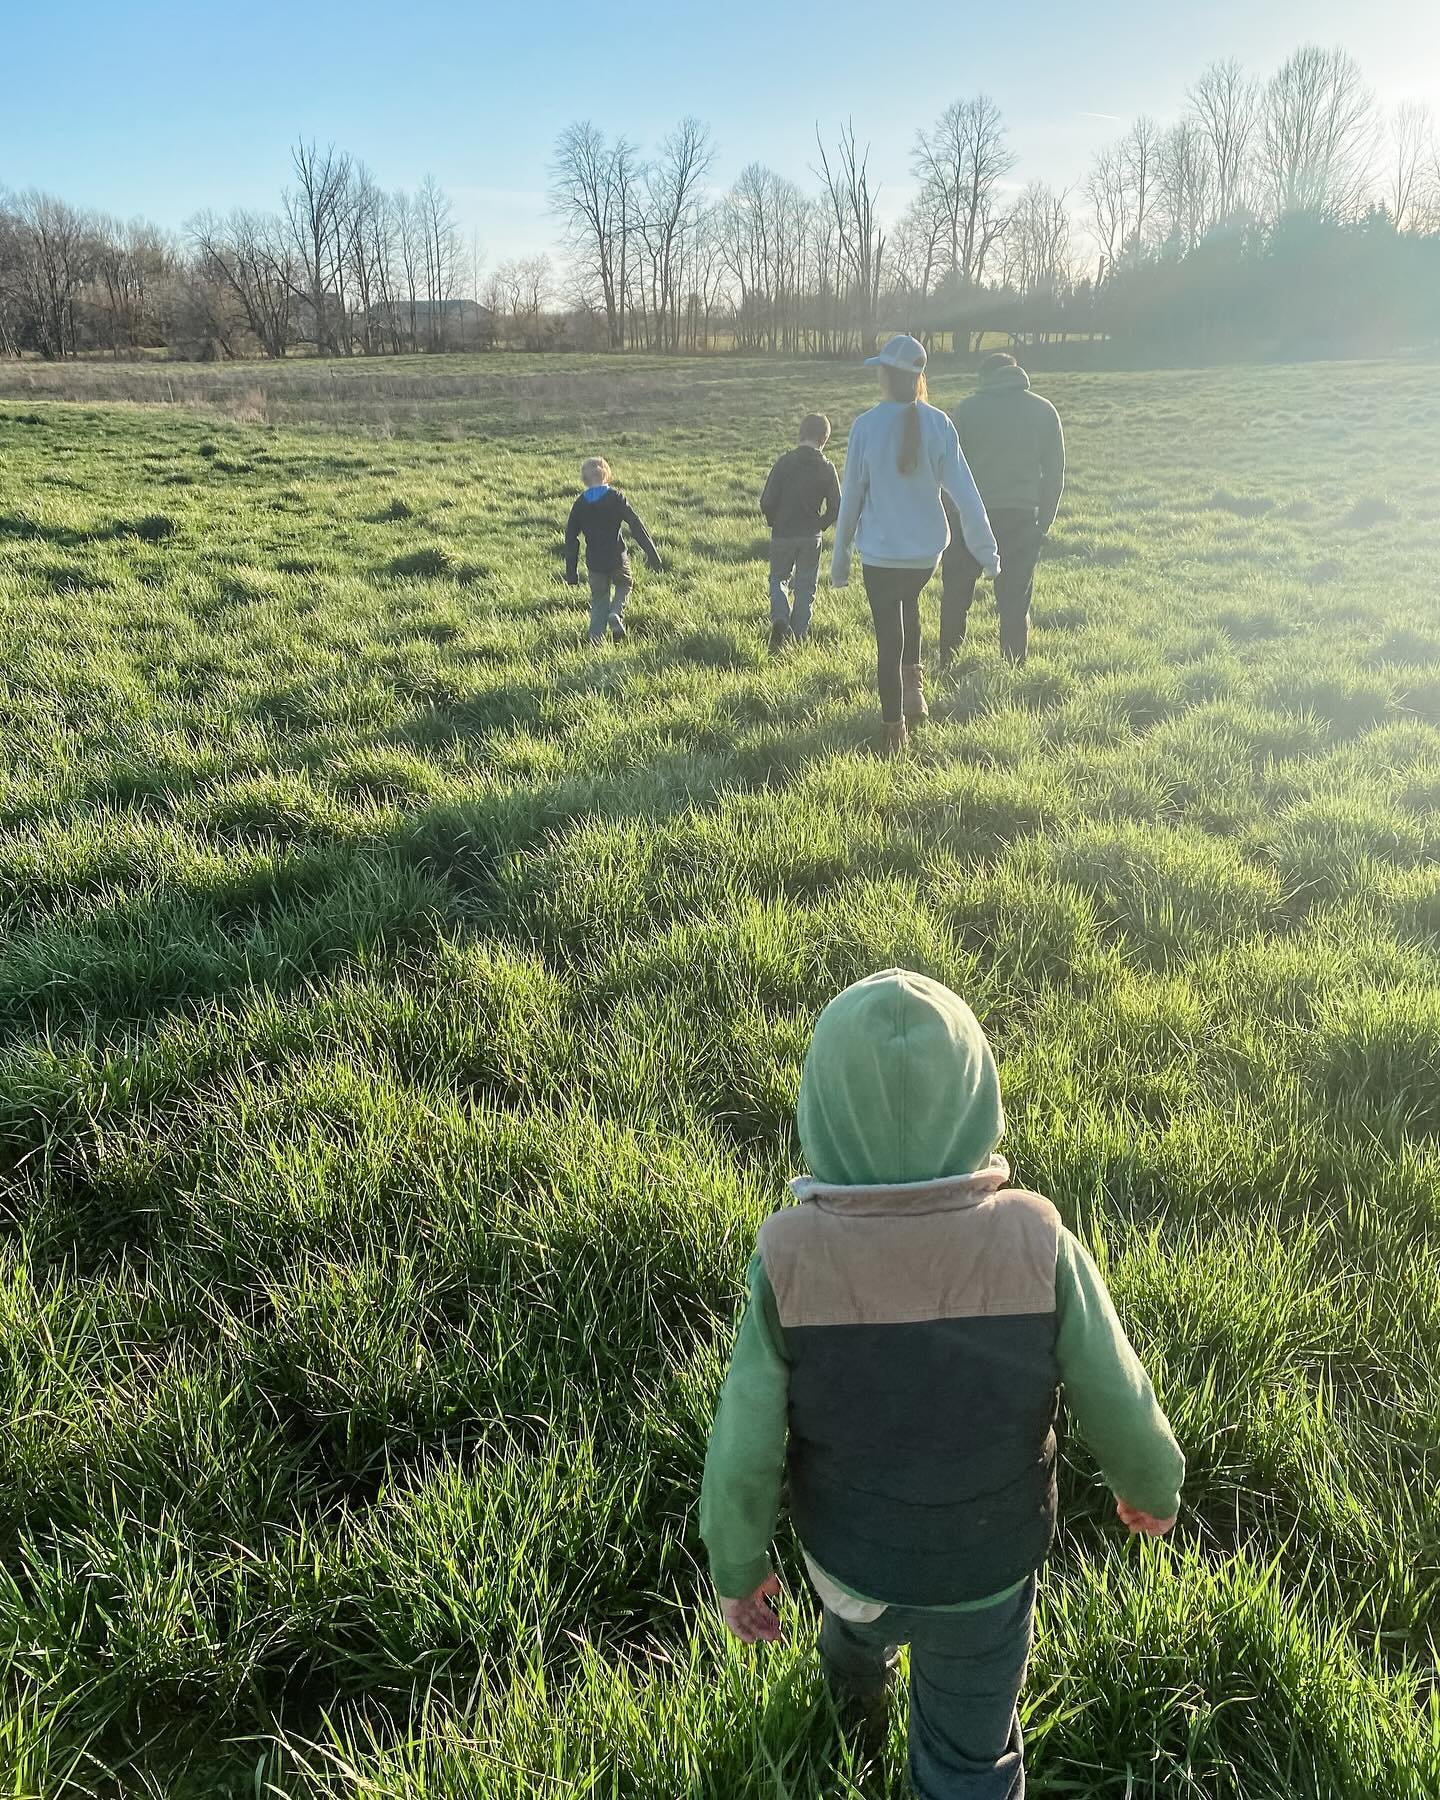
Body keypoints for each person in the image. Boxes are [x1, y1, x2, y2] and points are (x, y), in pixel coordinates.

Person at [700, 968, 1184, 1800]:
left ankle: (850, 1719)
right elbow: (1116, 1388)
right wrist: (1151, 1485)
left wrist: (736, 1565)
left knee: (854, 1638)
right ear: (979, 1099)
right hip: (985, 1567)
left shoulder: (787, 1257)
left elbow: (743, 1439)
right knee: (969, 1753)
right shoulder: (1038, 1237)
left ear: (817, 1109)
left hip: (847, 1560)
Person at [831, 336, 999, 754]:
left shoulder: (866, 426)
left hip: (881, 555)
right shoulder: (940, 423)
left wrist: (839, 561)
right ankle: (914, 691)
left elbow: (850, 495)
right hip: (925, 554)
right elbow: (967, 493)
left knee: (888, 640)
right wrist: (988, 552)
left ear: (886, 375)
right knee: (910, 603)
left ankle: (894, 731)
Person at [940, 353, 1065, 667]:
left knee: (955, 596)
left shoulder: (966, 410)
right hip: (1021, 518)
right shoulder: (1044, 410)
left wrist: (952, 514)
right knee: (1014, 601)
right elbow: (1054, 474)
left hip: (970, 515)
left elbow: (948, 469)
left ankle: (948, 662)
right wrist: (1043, 524)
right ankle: (1013, 667)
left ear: (985, 377)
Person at [760, 412, 842, 653]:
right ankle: (797, 639)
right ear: (824, 439)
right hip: (810, 536)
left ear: (800, 434)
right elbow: (836, 506)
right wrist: (821, 524)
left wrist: (774, 520)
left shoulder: (784, 463)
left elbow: (767, 501)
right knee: (806, 587)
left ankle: (780, 618)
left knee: (778, 579)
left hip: (783, 533)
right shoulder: (827, 468)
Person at [563, 456, 662, 646]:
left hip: (594, 563)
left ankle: (595, 641)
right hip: (617, 557)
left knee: (599, 599)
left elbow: (571, 539)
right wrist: (652, 554)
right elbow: (635, 525)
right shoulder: (615, 497)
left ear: (584, 479)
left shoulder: (579, 504)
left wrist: (571, 573)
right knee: (625, 585)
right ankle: (616, 613)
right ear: (606, 474)